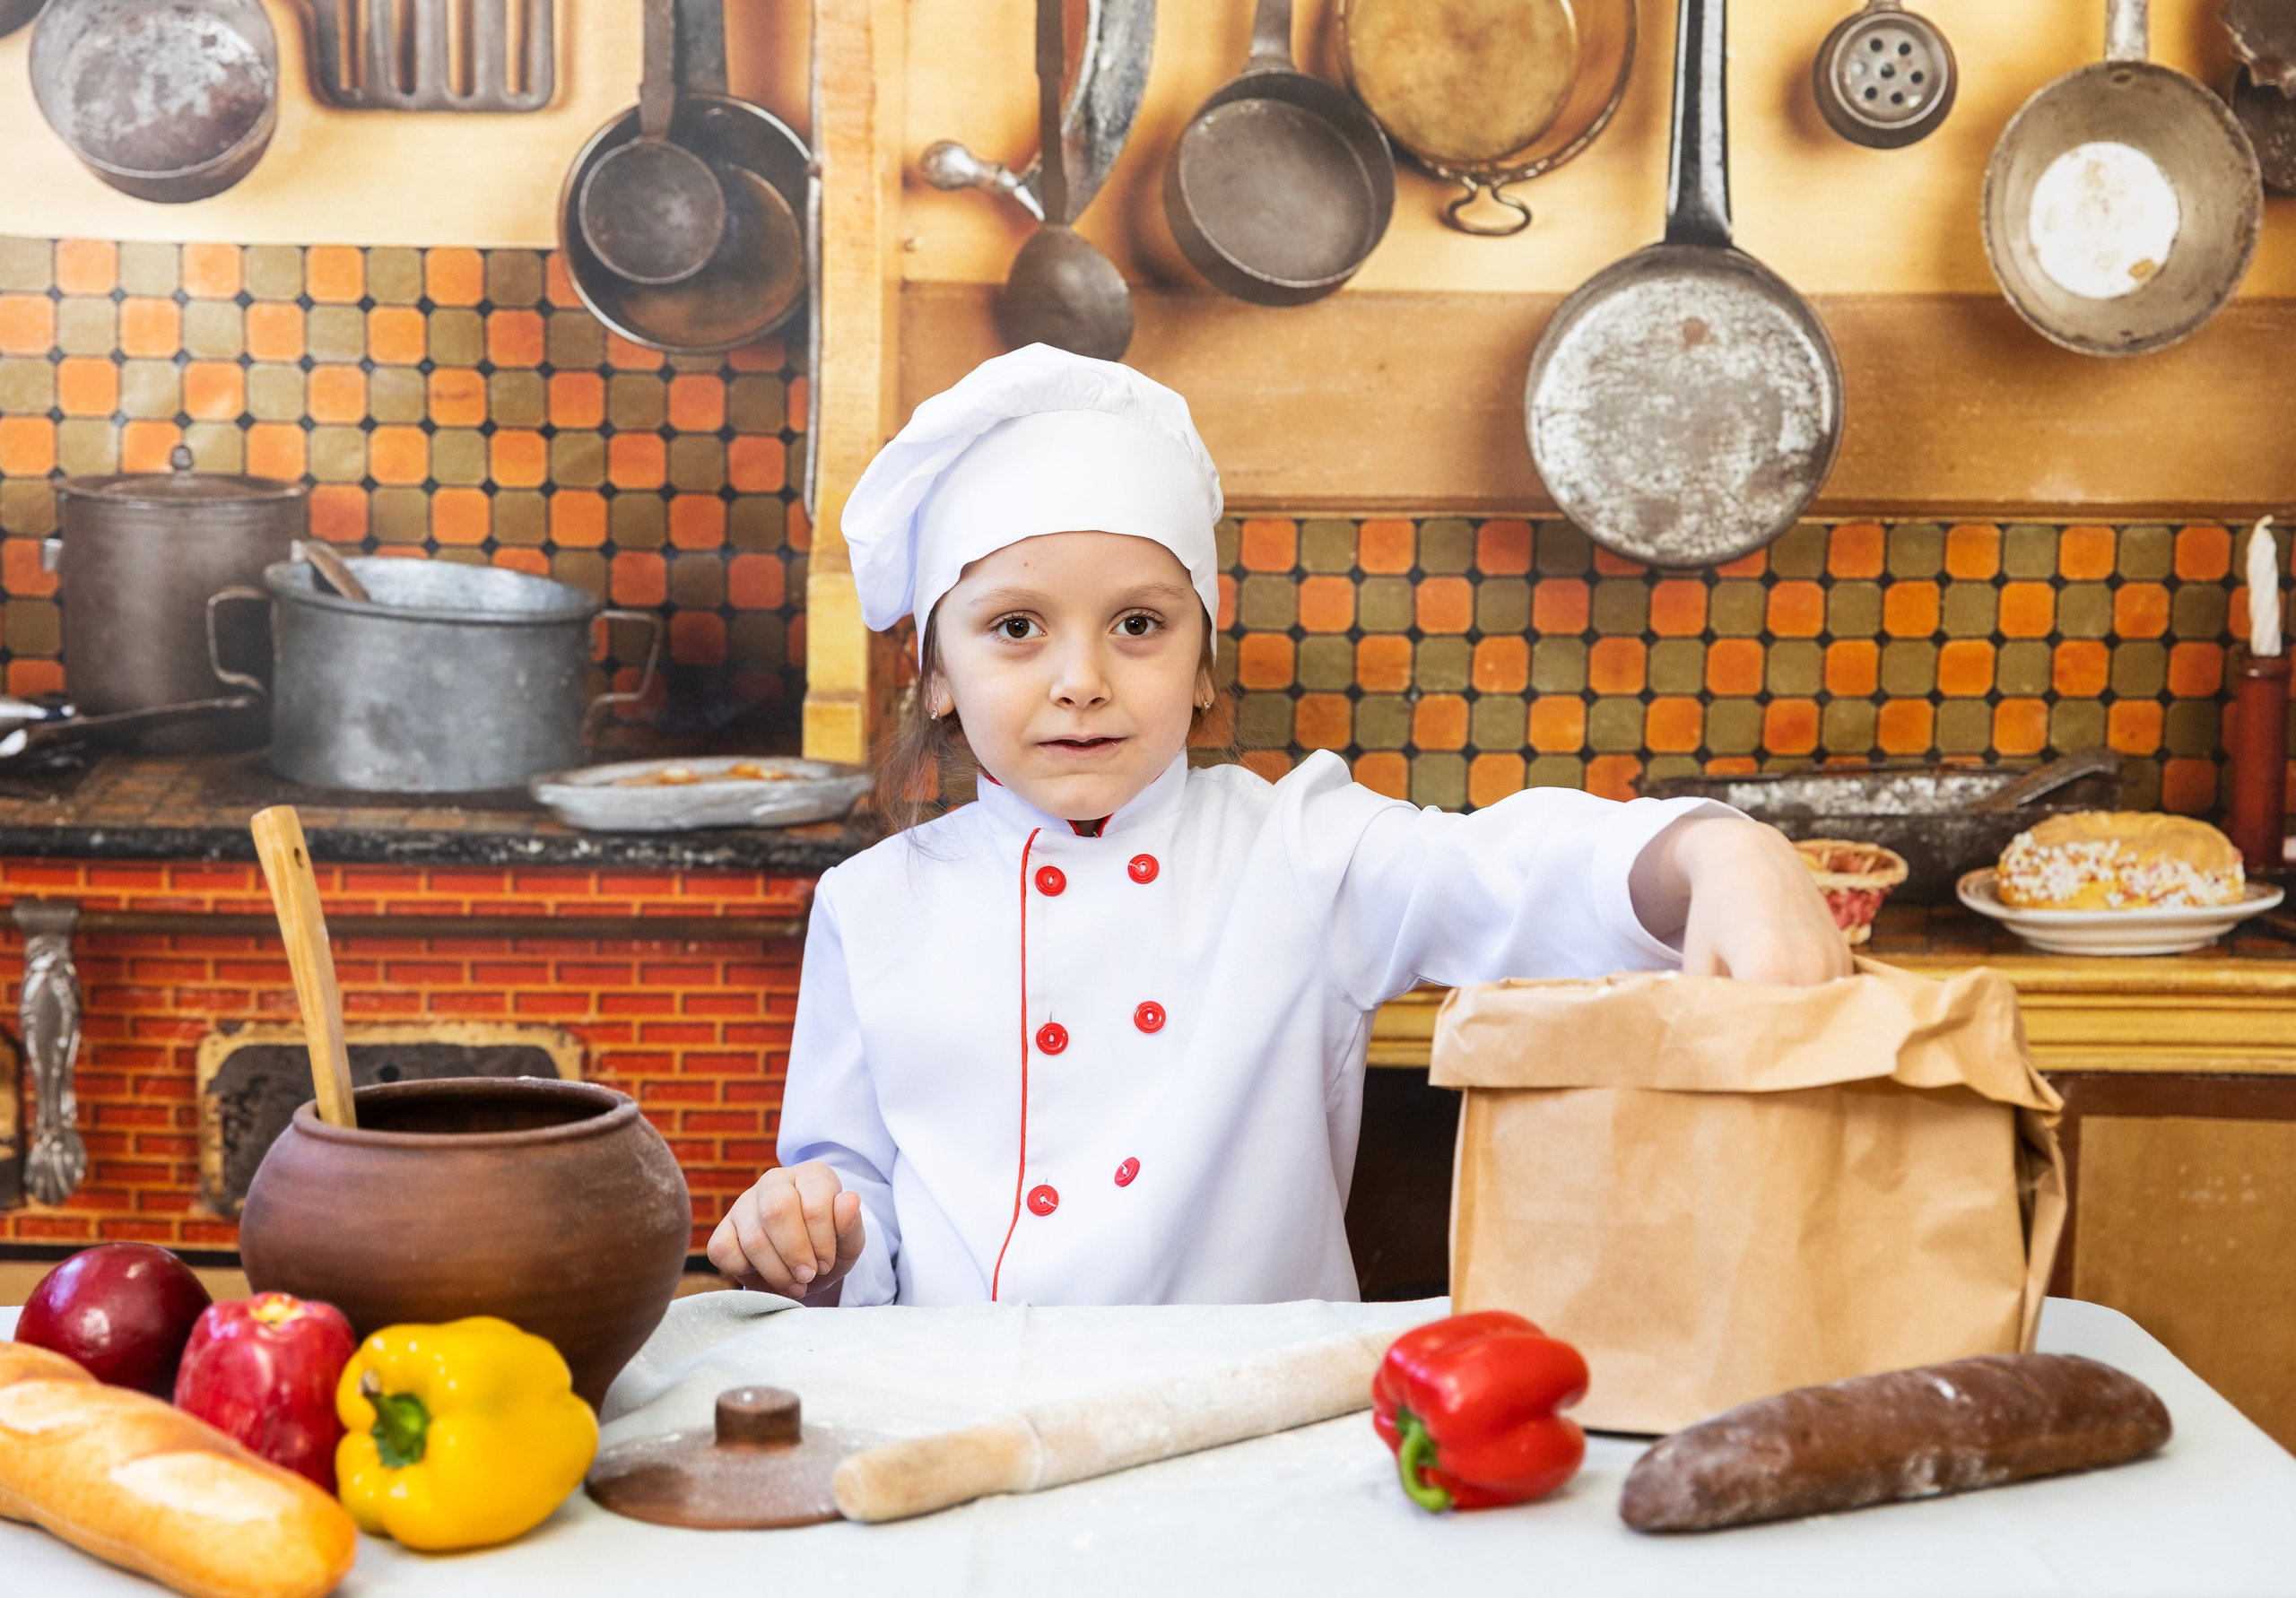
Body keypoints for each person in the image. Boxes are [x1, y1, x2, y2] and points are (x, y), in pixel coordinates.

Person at [708, 344, 1849, 1307]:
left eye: (1139, 625)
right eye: (1015, 627)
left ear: (1203, 662)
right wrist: (815, 1230)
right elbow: (852, 1199)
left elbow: (1504, 868)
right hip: (960, 1419)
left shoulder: (1299, 852)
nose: (1080, 680)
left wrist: (1714, 848)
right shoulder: (871, 905)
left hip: (1246, 1426)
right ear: (936, 676)